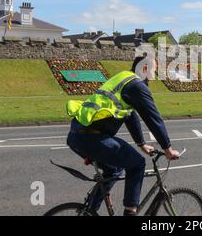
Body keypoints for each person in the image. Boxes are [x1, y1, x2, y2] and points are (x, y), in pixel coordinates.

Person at [66, 55, 180, 216]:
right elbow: (153, 118)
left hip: (76, 136)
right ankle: (130, 212)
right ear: (145, 69)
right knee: (137, 164)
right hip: (93, 138)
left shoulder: (123, 78)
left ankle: (89, 211)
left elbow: (130, 115)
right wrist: (168, 149)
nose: (154, 76)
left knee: (113, 170)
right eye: (154, 70)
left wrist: (141, 143)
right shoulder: (137, 86)